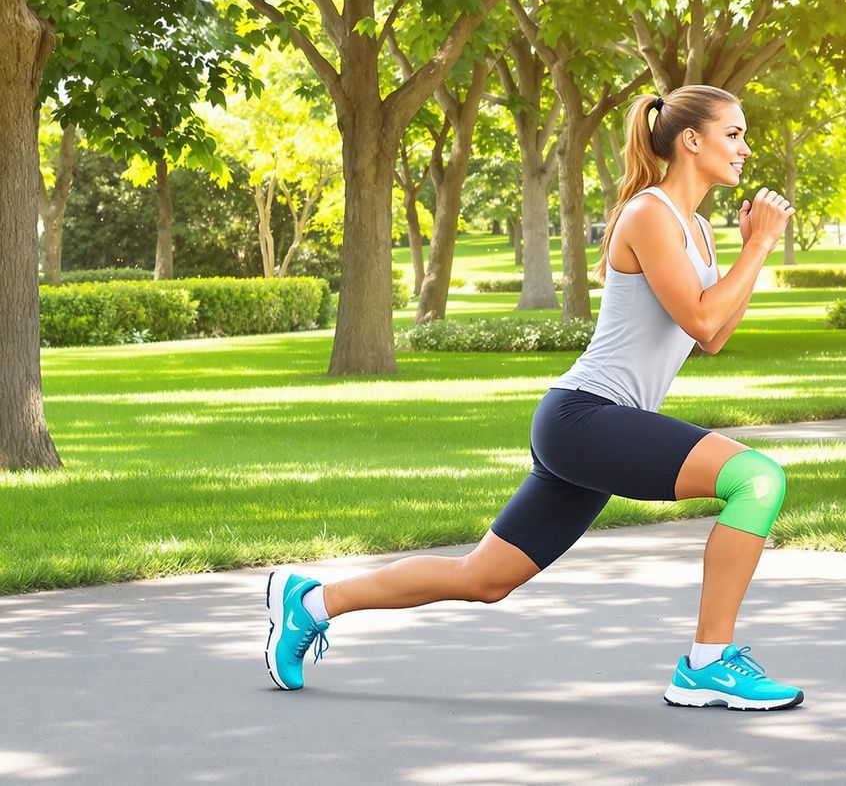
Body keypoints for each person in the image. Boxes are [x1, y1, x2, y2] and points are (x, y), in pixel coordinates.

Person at [264, 84, 802, 711]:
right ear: (692, 140)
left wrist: (747, 252)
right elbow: (705, 322)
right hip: (586, 418)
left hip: (596, 427)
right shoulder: (648, 214)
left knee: (483, 579)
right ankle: (708, 662)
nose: (744, 147)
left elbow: (710, 334)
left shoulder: (700, 229)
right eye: (734, 133)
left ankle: (310, 603)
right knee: (757, 480)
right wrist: (762, 243)